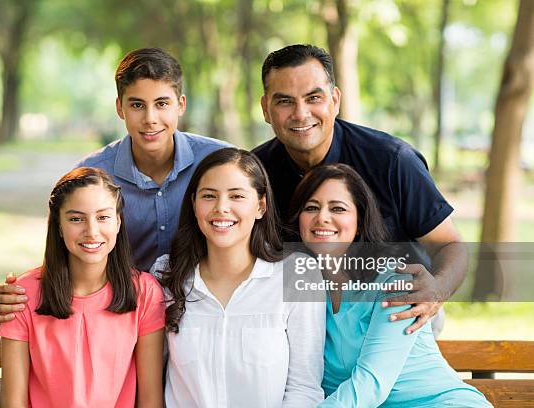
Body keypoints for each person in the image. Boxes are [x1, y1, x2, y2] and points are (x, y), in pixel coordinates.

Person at [0, 48, 229, 322]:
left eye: (162, 104)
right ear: (120, 107)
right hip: (121, 318)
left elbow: (262, 243)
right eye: (137, 105)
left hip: (206, 316)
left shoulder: (221, 164)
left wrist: (290, 301)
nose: (150, 118)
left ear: (181, 105)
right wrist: (20, 294)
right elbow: (67, 253)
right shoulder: (91, 174)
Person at [252, 44, 466, 335]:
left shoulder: (392, 160)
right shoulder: (254, 173)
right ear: (266, 109)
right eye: (285, 101)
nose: (301, 114)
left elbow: (450, 244)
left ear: (335, 100)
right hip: (304, 320)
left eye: (314, 98)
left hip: (396, 314)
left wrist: (436, 291)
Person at [289, 163, 491, 408]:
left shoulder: (396, 282)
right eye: (311, 207)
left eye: (338, 208)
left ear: (359, 222)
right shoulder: (300, 292)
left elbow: (371, 383)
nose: (322, 217)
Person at [154, 147, 325, 407]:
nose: (221, 208)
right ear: (194, 204)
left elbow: (304, 387)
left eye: (236, 196)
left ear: (261, 206)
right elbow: (153, 379)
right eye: (209, 196)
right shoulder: (166, 274)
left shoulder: (296, 273)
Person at [0, 167, 165, 407]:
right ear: (58, 225)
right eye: (76, 219)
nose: (91, 231)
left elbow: (150, 400)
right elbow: (14, 403)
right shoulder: (23, 294)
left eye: (103, 217)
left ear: (118, 222)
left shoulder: (145, 292)